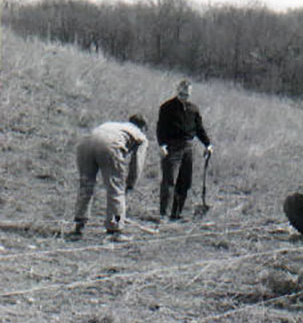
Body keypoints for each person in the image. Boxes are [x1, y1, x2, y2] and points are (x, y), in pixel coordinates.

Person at [68, 114, 149, 242]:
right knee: (116, 190)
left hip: (85, 143)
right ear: (143, 127)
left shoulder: (115, 125)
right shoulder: (140, 135)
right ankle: (115, 229)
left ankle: (79, 226)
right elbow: (137, 163)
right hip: (109, 145)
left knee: (86, 186)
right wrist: (130, 184)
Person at [156, 79, 213, 221]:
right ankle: (164, 214)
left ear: (190, 93)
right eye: (181, 93)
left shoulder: (193, 109)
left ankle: (176, 214)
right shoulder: (166, 107)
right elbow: (160, 128)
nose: (184, 97)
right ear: (177, 91)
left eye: (186, 94)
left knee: (185, 182)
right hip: (171, 148)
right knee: (169, 181)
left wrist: (208, 144)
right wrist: (162, 145)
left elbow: (199, 129)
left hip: (188, 147)